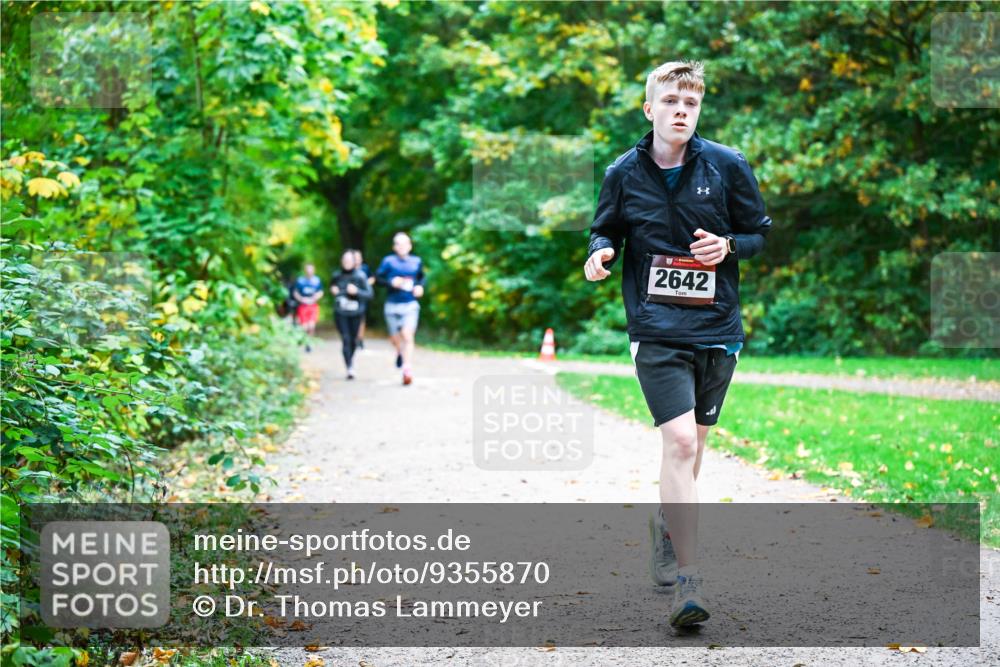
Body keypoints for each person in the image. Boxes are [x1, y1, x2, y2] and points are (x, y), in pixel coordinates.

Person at [583, 60, 772, 628]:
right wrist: (599, 252)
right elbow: (605, 227)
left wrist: (728, 246)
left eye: (690, 103)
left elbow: (759, 233)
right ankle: (689, 581)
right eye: (670, 101)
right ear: (650, 109)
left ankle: (668, 526)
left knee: (694, 449)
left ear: (699, 110)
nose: (681, 111)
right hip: (655, 327)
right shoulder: (622, 171)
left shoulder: (727, 164)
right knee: (682, 442)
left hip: (716, 327)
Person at [375, 232, 425, 385]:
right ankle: (400, 352)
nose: (402, 246)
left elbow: (421, 278)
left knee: (407, 335)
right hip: (392, 305)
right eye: (398, 244)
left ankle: (407, 369)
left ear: (410, 246)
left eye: (405, 243)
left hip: (410, 304)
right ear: (394, 247)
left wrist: (420, 287)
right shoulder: (388, 261)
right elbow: (378, 279)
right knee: (395, 339)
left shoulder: (416, 261)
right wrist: (391, 282)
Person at [330, 249, 374, 379]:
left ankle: (351, 360)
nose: (347, 263)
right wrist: (333, 290)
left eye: (349, 260)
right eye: (345, 260)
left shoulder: (360, 276)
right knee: (346, 339)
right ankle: (349, 367)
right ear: (341, 261)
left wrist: (357, 292)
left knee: (354, 340)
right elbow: (332, 287)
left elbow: (370, 294)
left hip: (356, 313)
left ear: (354, 262)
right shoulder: (336, 276)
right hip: (341, 312)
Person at [293, 263, 324, 352]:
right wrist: (301, 299)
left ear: (314, 270)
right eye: (308, 269)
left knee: (311, 326)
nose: (309, 271)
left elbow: (321, 292)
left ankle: (309, 343)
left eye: (311, 269)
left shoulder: (317, 280)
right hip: (303, 306)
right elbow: (295, 292)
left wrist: (315, 298)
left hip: (313, 306)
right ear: (305, 270)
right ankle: (305, 341)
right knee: (304, 327)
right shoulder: (300, 281)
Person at [351, 249, 375, 350]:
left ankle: (360, 339)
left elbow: (373, 278)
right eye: (355, 257)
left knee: (361, 319)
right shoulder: (349, 269)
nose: (357, 259)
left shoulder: (365, 268)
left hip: (362, 297)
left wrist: (366, 284)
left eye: (358, 257)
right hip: (351, 298)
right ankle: (353, 337)